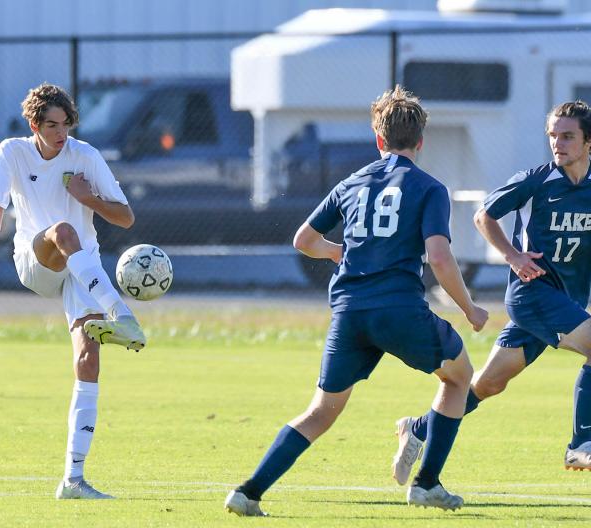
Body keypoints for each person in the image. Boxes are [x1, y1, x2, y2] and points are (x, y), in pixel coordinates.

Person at [224, 86, 488, 517]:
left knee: (320, 412)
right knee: (459, 378)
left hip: (348, 311)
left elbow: (303, 240)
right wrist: (469, 308)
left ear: (378, 140)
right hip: (399, 309)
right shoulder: (429, 188)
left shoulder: (351, 183)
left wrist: (335, 250)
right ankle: (426, 484)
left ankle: (249, 491)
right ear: (421, 141)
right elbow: (438, 256)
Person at [393, 101, 591, 483]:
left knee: (488, 383)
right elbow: (484, 215)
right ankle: (581, 444)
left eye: (568, 136)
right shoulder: (538, 180)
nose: (558, 143)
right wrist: (513, 256)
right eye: (553, 135)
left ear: (588, 141)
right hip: (532, 296)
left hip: (564, 302)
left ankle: (416, 428)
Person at [0, 83, 146, 500]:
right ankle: (125, 316)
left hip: (82, 268)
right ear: (35, 125)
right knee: (63, 231)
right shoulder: (12, 151)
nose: (61, 132)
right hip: (37, 260)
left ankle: (73, 480)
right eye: (52, 125)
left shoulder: (86, 157)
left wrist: (88, 197)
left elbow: (126, 218)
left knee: (88, 357)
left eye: (66, 124)